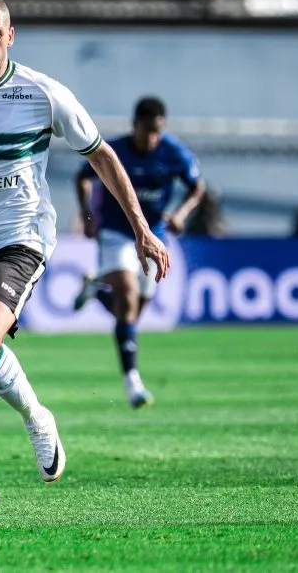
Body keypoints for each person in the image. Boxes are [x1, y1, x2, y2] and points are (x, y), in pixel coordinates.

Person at [0, 0, 170, 529]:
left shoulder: (42, 93)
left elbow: (102, 155)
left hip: (19, 236)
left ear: (11, 36)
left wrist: (141, 229)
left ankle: (36, 417)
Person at [73, 96, 204, 409]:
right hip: (117, 232)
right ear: (135, 126)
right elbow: (82, 176)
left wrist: (181, 213)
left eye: (157, 131)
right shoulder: (114, 149)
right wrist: (88, 216)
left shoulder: (173, 153)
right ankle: (132, 381)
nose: (151, 138)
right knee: (128, 296)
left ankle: (96, 292)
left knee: (132, 311)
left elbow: (197, 187)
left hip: (154, 235)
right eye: (147, 131)